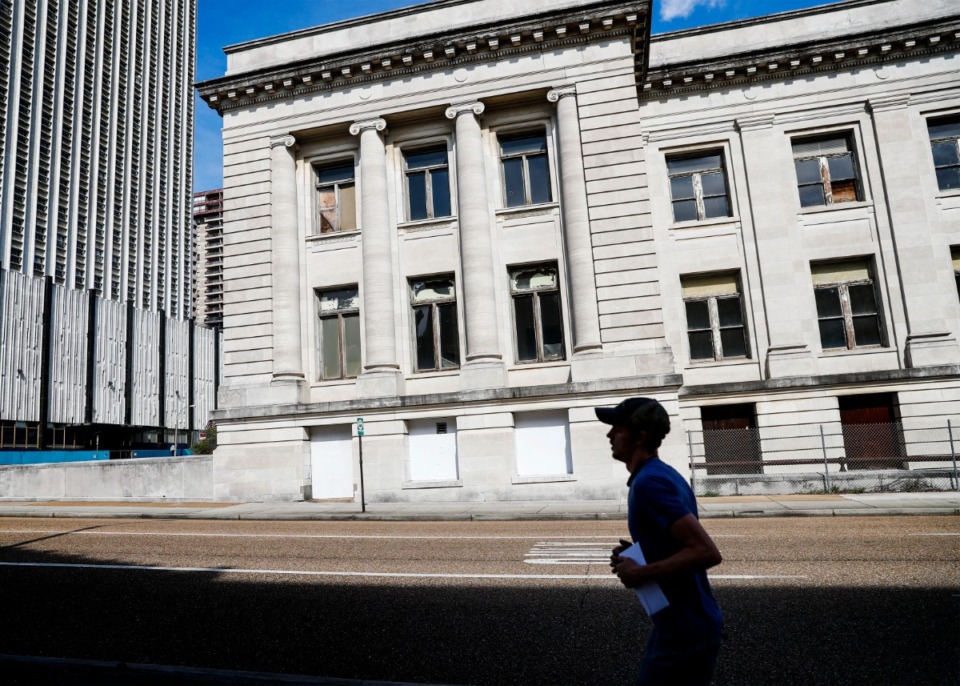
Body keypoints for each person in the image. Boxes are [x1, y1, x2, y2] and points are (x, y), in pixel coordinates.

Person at [596, 397, 724, 686]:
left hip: (683, 632)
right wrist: (640, 553)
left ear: (640, 437)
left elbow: (706, 552)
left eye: (617, 429)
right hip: (684, 625)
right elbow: (676, 541)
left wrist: (641, 572)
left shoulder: (650, 483)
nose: (609, 435)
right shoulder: (661, 474)